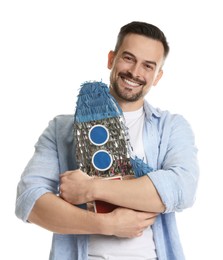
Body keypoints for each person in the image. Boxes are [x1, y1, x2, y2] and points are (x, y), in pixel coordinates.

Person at [15, 21, 199, 260]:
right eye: (128, 58)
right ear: (111, 59)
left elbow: (181, 190)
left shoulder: (171, 127)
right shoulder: (61, 129)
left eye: (147, 66)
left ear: (157, 76)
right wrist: (107, 225)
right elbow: (30, 203)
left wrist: (91, 188)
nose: (135, 72)